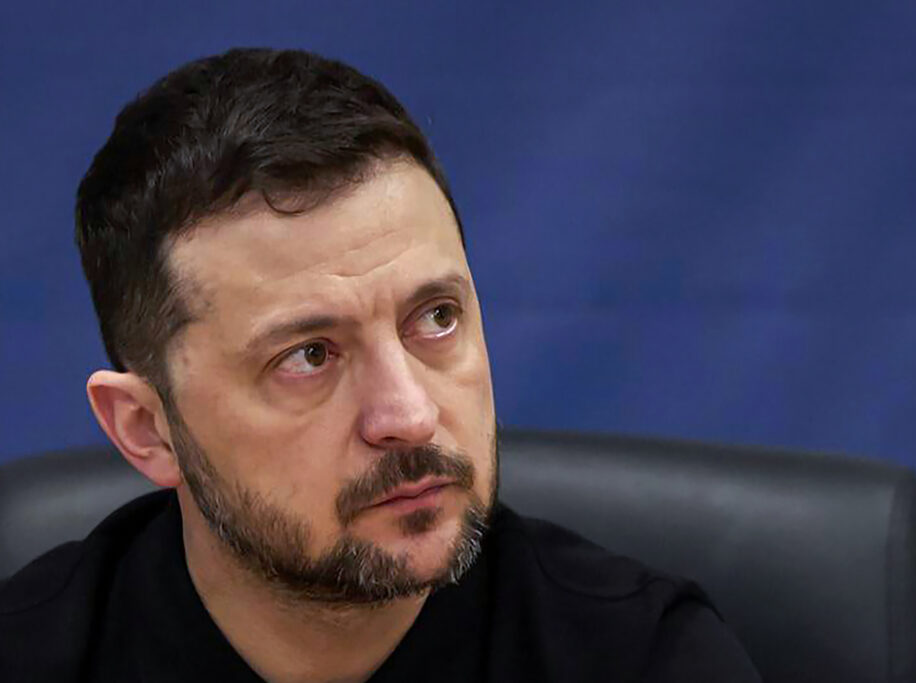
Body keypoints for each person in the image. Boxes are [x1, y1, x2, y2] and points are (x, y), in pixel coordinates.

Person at [0, 48, 761, 682]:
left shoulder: (646, 658)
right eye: (308, 356)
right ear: (147, 429)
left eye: (436, 318)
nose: (410, 415)